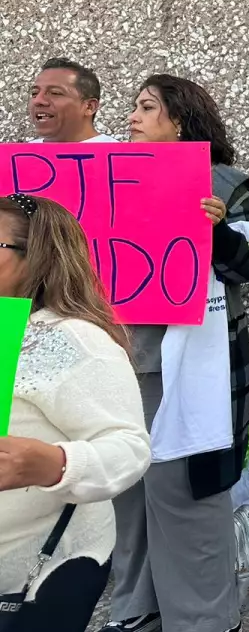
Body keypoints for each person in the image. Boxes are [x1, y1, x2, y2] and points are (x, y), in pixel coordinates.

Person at [103, 75, 249, 632]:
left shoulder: (226, 183)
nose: (132, 117)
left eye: (147, 107)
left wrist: (217, 231)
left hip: (188, 368)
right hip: (121, 362)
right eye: (132, 107)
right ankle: (137, 610)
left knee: (185, 494)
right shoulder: (114, 179)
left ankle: (204, 619)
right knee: (127, 494)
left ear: (179, 119)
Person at [0, 194, 150, 632]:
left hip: (39, 575)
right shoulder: (7, 324)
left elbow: (129, 447)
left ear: (37, 258)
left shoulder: (74, 342)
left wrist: (56, 464)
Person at [28, 58, 115, 143]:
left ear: (89, 107)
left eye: (55, 93)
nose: (38, 100)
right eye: (34, 93)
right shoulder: (23, 154)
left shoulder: (119, 155)